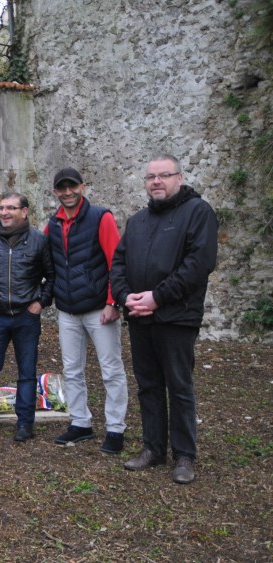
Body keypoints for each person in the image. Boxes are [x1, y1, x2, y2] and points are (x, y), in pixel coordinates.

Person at [111, 154, 218, 484]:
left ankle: (184, 455)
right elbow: (118, 263)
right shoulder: (138, 221)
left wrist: (157, 297)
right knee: (148, 385)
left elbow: (198, 264)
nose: (156, 181)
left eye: (164, 175)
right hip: (140, 317)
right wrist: (125, 296)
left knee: (179, 386)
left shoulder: (198, 212)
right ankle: (153, 448)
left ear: (179, 178)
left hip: (176, 317)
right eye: (150, 177)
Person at [46, 168, 128, 454]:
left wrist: (112, 302)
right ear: (55, 192)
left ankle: (115, 428)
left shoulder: (100, 217)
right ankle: (80, 422)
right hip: (67, 310)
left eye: (73, 186)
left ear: (83, 187)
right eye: (62, 188)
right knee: (71, 370)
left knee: (111, 370)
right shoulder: (53, 223)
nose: (68, 192)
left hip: (98, 308)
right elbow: (36, 249)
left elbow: (116, 261)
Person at [0, 193, 54, 443]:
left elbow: (52, 275)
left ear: (24, 212)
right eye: (1, 208)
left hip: (26, 317)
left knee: (26, 373)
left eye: (11, 208)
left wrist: (41, 301)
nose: (4, 212)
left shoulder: (39, 240)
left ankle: (25, 423)